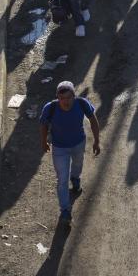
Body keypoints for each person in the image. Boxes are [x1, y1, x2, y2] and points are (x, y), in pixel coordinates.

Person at [39, 81, 100, 230]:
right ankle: (65, 210)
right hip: (59, 148)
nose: (65, 102)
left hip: (78, 143)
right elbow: (43, 125)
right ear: (57, 98)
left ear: (74, 95)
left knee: (78, 164)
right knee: (61, 180)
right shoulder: (50, 108)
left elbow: (93, 120)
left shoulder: (82, 103)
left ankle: (76, 178)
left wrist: (97, 141)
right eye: (61, 98)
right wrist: (43, 142)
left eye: (68, 98)